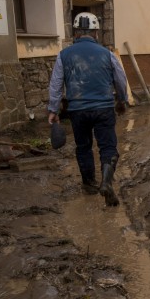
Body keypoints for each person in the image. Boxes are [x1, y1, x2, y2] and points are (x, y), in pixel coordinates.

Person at [48, 13, 129, 207]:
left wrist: (53, 109)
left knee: (83, 147)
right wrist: (122, 100)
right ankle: (107, 182)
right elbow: (120, 79)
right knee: (108, 146)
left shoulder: (64, 55)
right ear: (95, 32)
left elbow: (56, 84)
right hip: (103, 108)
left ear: (75, 33)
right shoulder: (107, 54)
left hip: (78, 110)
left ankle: (90, 184)